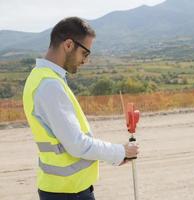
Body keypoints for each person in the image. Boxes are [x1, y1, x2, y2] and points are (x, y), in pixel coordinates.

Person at [22, 17, 139, 200]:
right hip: (68, 193)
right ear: (68, 45)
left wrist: (116, 155)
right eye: (85, 53)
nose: (86, 61)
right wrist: (119, 151)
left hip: (63, 189)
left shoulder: (40, 77)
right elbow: (76, 144)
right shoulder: (49, 85)